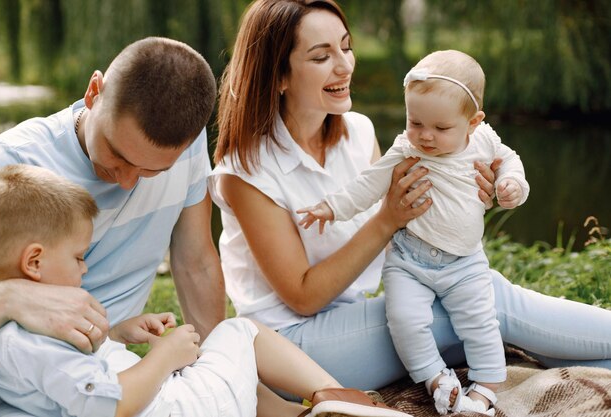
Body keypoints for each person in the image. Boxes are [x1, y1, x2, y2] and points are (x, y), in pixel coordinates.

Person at [208, 0, 611, 407]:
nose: (344, 66)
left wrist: (463, 197)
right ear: (278, 76)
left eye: (346, 47)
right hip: (295, 348)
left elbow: (406, 227)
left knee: (478, 303)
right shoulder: (247, 171)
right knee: (489, 302)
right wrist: (387, 219)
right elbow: (303, 296)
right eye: (321, 56)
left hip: (360, 320)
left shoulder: (357, 132)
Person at [0, 164, 408, 417]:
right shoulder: (24, 342)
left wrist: (117, 333)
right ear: (34, 262)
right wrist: (165, 358)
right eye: (78, 256)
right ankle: (346, 401)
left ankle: (304, 413)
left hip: (173, 404)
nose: (85, 265)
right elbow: (111, 405)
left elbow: (66, 377)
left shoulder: (23, 326)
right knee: (242, 333)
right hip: (177, 408)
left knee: (227, 361)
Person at [0, 37, 224, 416]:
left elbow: (195, 261)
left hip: (110, 369)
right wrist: (6, 297)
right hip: (23, 387)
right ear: (94, 92)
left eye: (152, 170)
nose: (127, 181)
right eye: (117, 153)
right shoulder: (8, 164)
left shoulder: (186, 146)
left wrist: (215, 370)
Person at [297, 49, 529, 415]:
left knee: (480, 321)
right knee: (404, 321)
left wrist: (512, 184)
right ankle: (437, 379)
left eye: (441, 128)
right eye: (415, 122)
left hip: (463, 262)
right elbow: (368, 183)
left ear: (473, 122)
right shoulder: (406, 147)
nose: (426, 136)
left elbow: (510, 162)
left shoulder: (484, 141)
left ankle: (484, 390)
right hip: (408, 259)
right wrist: (332, 207)